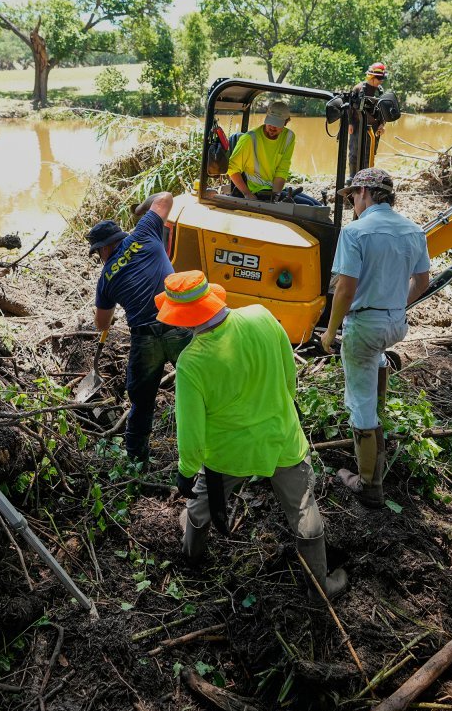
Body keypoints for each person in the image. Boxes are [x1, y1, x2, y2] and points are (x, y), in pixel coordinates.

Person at [160, 270, 347, 600]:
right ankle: (320, 587)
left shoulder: (192, 361)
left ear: (184, 317)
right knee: (304, 511)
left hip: (228, 454)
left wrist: (186, 471)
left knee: (200, 505)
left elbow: (191, 430)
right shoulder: (261, 316)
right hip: (281, 440)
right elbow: (289, 375)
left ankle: (191, 557)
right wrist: (285, 407)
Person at [321, 169, 430, 507]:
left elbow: (345, 288)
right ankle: (380, 418)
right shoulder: (413, 230)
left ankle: (369, 485)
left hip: (365, 324)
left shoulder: (355, 232)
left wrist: (331, 330)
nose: (353, 204)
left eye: (353, 197)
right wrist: (395, 306)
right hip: (395, 324)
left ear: (365, 193)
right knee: (376, 357)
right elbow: (422, 281)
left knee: (360, 401)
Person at [88, 192, 192, 466]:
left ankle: (136, 461)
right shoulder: (144, 231)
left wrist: (112, 300)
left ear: (104, 248)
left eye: (97, 252)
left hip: (146, 338)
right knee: (202, 386)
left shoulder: (106, 277)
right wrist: (140, 210)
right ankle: (208, 450)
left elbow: (101, 324)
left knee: (142, 402)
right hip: (178, 324)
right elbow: (165, 197)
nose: (99, 257)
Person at [227, 101, 320, 206]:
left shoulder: (289, 137)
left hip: (274, 190)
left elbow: (282, 169)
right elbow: (232, 168)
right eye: (270, 122)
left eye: (277, 124)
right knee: (309, 205)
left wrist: (276, 196)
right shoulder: (249, 139)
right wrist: (247, 194)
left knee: (317, 205)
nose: (272, 127)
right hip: (256, 190)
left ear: (286, 122)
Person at [347, 63, 389, 178]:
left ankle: (366, 178)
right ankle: (352, 177)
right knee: (354, 153)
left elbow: (383, 110)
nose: (381, 81)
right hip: (358, 126)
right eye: (379, 79)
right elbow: (350, 108)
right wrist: (350, 123)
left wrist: (382, 124)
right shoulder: (358, 89)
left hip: (374, 128)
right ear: (372, 77)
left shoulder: (380, 91)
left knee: (369, 154)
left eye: (382, 79)